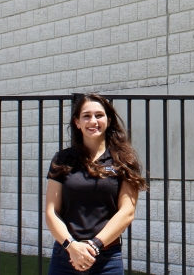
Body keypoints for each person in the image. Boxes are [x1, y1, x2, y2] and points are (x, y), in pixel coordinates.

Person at [45, 93, 147, 274]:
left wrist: (94, 245)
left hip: (107, 259)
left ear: (108, 120)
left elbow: (127, 212)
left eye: (99, 115)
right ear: (77, 122)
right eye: (86, 116)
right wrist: (72, 246)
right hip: (66, 256)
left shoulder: (124, 161)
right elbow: (51, 211)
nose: (93, 121)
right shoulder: (62, 159)